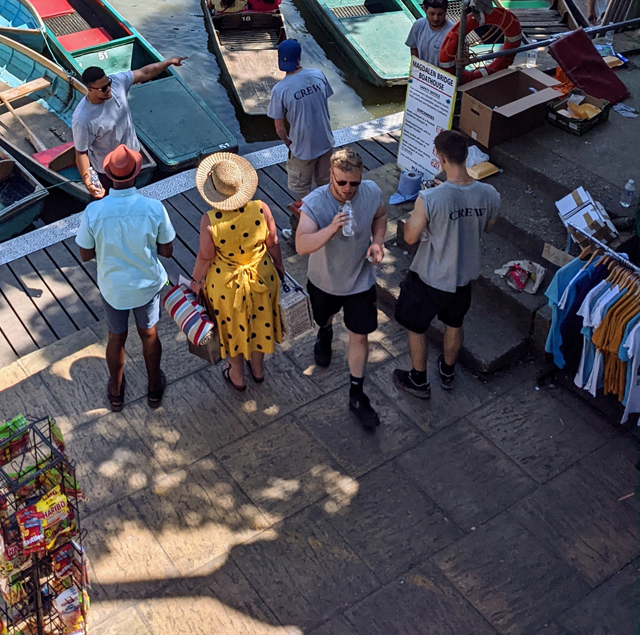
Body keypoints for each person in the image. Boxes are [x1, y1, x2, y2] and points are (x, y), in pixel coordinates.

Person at [392, 129, 500, 399]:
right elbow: (488, 226)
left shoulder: (429, 199)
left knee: (416, 327)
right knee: (455, 323)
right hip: (463, 277)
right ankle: (448, 371)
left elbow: (409, 237)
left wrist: (424, 213)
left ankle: (418, 380)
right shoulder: (489, 193)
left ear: (439, 158)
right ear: (466, 156)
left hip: (431, 277)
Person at [294, 146, 387, 430]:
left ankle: (356, 394)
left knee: (360, 336)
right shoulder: (315, 203)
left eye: (354, 183)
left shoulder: (370, 191)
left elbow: (380, 216)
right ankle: (325, 331)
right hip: (325, 281)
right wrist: (331, 228)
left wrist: (377, 241)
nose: (348, 189)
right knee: (323, 317)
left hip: (360, 280)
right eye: (342, 182)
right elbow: (301, 245)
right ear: (331, 176)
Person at [76, 147, 174, 410]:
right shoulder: (154, 208)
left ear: (107, 176)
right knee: (149, 335)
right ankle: (154, 389)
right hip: (147, 285)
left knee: (116, 338)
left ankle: (116, 393)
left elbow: (85, 254)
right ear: (137, 173)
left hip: (113, 288)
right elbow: (167, 251)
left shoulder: (94, 212)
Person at [191, 154, 284, 391]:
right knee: (259, 322)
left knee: (231, 327)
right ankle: (258, 370)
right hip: (261, 278)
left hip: (227, 287)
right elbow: (273, 242)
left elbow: (206, 256)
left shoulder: (210, 220)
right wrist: (280, 266)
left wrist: (196, 280)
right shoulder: (261, 208)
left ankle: (237, 375)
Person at [73, 58, 185, 198]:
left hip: (131, 156)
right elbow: (81, 152)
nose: (109, 89)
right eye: (103, 88)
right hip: (108, 168)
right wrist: (87, 180)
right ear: (89, 89)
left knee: (131, 193)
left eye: (108, 83)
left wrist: (168, 62)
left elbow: (144, 73)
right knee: (111, 199)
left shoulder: (117, 83)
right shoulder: (83, 118)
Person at [268, 38, 334, 198]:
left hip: (302, 148)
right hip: (325, 141)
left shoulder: (280, 90)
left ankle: (307, 218)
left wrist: (288, 142)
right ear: (299, 58)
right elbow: (324, 101)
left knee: (302, 191)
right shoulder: (318, 75)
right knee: (326, 185)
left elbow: (279, 128)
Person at [405, 0, 453, 67]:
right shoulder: (418, 25)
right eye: (432, 14)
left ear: (445, 11)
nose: (435, 18)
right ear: (425, 11)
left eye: (440, 14)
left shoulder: (454, 31)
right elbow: (413, 48)